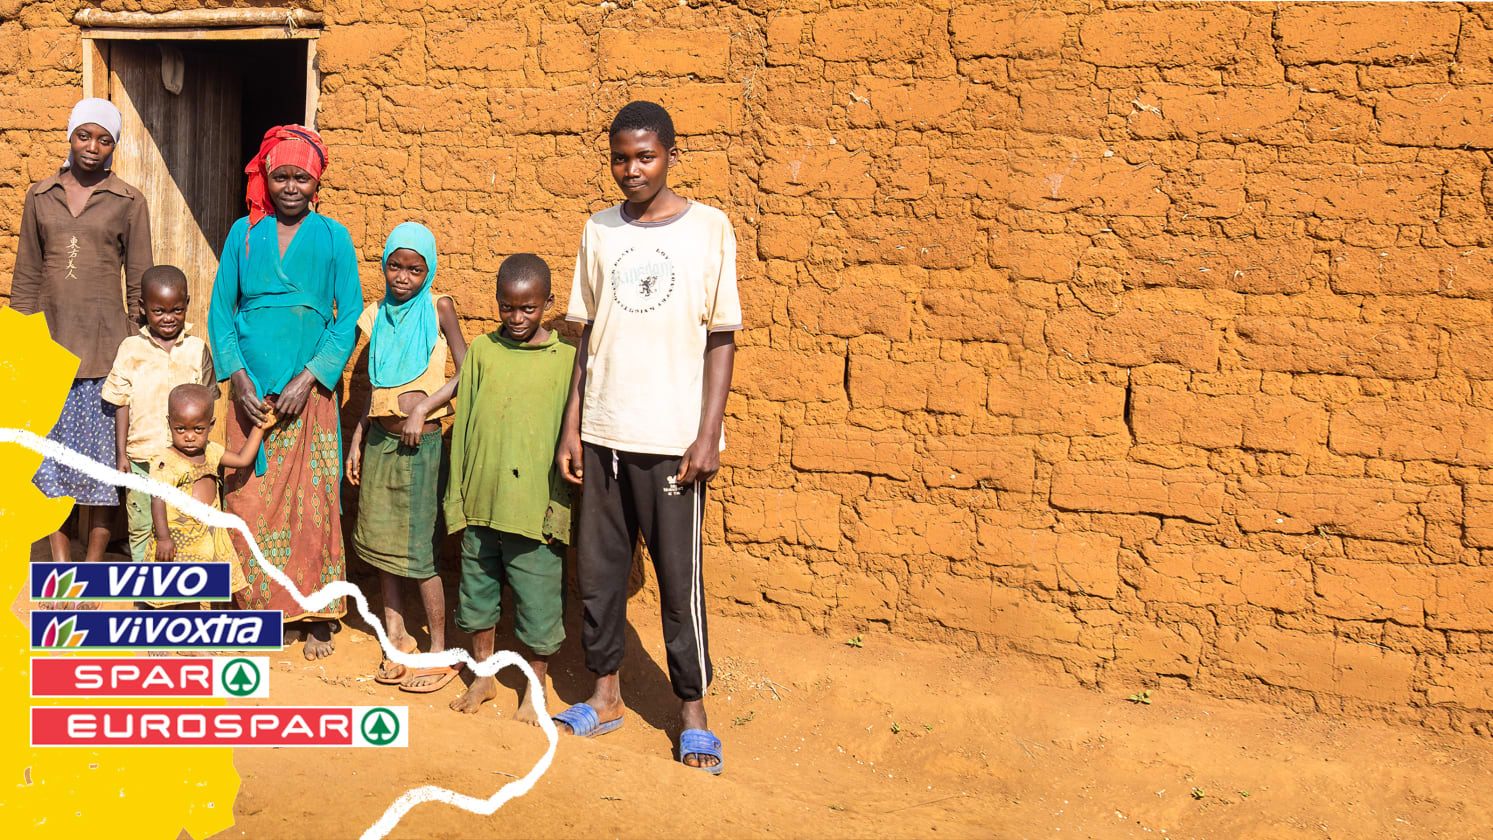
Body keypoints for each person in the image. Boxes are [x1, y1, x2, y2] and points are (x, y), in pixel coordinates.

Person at [553, 102, 741, 773]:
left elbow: (720, 338)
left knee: (677, 582)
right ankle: (604, 696)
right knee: (599, 578)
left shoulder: (709, 230)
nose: (630, 170)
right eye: (619, 157)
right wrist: (573, 425)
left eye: (644, 157)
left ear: (669, 154)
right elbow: (586, 339)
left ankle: (691, 710)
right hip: (603, 433)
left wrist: (707, 434)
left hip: (670, 440)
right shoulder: (599, 231)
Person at [208, 125, 362, 660]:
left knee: (312, 501)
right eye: (281, 176)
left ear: (316, 180)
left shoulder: (333, 237)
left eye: (301, 176)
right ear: (265, 179)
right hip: (252, 395)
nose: (290, 186)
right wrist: (240, 378)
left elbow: (348, 319)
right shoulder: (241, 235)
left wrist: (310, 376)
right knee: (248, 495)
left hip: (310, 399)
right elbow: (220, 314)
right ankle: (254, 609)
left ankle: (316, 613)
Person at [12, 98, 152, 564]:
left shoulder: (128, 201)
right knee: (47, 465)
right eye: (84, 136)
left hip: (104, 352)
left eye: (104, 139)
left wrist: (136, 346)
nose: (93, 147)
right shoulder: (40, 196)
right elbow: (27, 277)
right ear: (70, 137)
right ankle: (60, 562)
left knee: (98, 467)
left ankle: (91, 566)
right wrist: (21, 344)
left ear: (115, 146)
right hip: (48, 355)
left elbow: (139, 281)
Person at [444, 254, 574, 721]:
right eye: (507, 307)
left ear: (547, 304)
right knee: (477, 599)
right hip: (482, 502)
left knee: (538, 605)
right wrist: (457, 501)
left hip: (533, 510)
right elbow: (463, 431)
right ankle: (484, 677)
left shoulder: (566, 362)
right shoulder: (481, 351)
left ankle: (533, 690)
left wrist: (560, 509)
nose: (516, 318)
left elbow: (570, 438)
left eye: (529, 309)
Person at [346, 222, 467, 693]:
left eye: (415, 269)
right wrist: (358, 435)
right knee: (381, 546)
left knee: (418, 551)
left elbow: (468, 369)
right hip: (379, 442)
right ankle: (397, 637)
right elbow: (374, 386)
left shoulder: (439, 309)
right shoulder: (375, 315)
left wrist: (424, 407)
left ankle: (440, 651)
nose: (403, 277)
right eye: (395, 266)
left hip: (421, 447)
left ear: (428, 269)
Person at [102, 266, 218, 564]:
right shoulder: (131, 349)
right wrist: (121, 454)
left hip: (184, 461)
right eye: (159, 311)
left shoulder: (197, 349)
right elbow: (121, 403)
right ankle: (146, 588)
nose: (168, 318)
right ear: (142, 308)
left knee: (183, 524)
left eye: (177, 310)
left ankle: (179, 589)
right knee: (141, 527)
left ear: (187, 304)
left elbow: (207, 401)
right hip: (142, 458)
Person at [144, 384, 267, 608]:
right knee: (178, 595)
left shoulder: (211, 451)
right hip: (178, 542)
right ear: (169, 423)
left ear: (210, 425)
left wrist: (260, 427)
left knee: (208, 592)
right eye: (180, 429)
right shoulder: (165, 462)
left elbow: (242, 460)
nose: (189, 437)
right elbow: (157, 499)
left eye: (197, 430)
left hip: (208, 538)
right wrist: (163, 538)